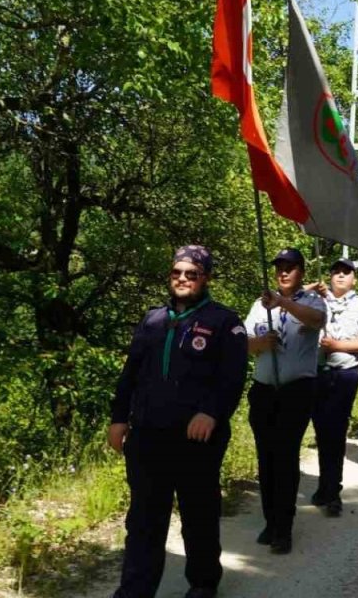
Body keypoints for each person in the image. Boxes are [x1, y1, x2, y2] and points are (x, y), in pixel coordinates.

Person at [108, 245, 248, 598]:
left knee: (198, 514)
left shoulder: (224, 322)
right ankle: (135, 590)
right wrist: (118, 418)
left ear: (206, 278)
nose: (182, 279)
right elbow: (130, 374)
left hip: (197, 439)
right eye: (176, 273)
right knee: (143, 519)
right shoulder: (152, 319)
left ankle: (203, 582)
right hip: (148, 437)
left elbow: (232, 379)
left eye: (192, 273)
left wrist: (211, 412)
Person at [244, 247, 327, 555]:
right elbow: (241, 343)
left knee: (285, 457)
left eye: (290, 267)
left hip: (296, 390)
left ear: (301, 272)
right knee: (266, 459)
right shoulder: (258, 305)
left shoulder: (311, 301)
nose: (283, 272)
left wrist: (283, 303)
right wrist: (258, 343)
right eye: (279, 266)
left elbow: (317, 321)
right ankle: (270, 520)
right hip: (264, 390)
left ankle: (285, 528)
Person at [310, 258, 358, 516]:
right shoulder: (317, 301)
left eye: (345, 272)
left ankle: (333, 491)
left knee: (335, 432)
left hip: (344, 374)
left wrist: (339, 346)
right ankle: (324, 484)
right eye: (335, 271)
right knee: (321, 430)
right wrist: (310, 289)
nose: (339, 276)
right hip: (316, 374)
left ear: (354, 279)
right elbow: (288, 303)